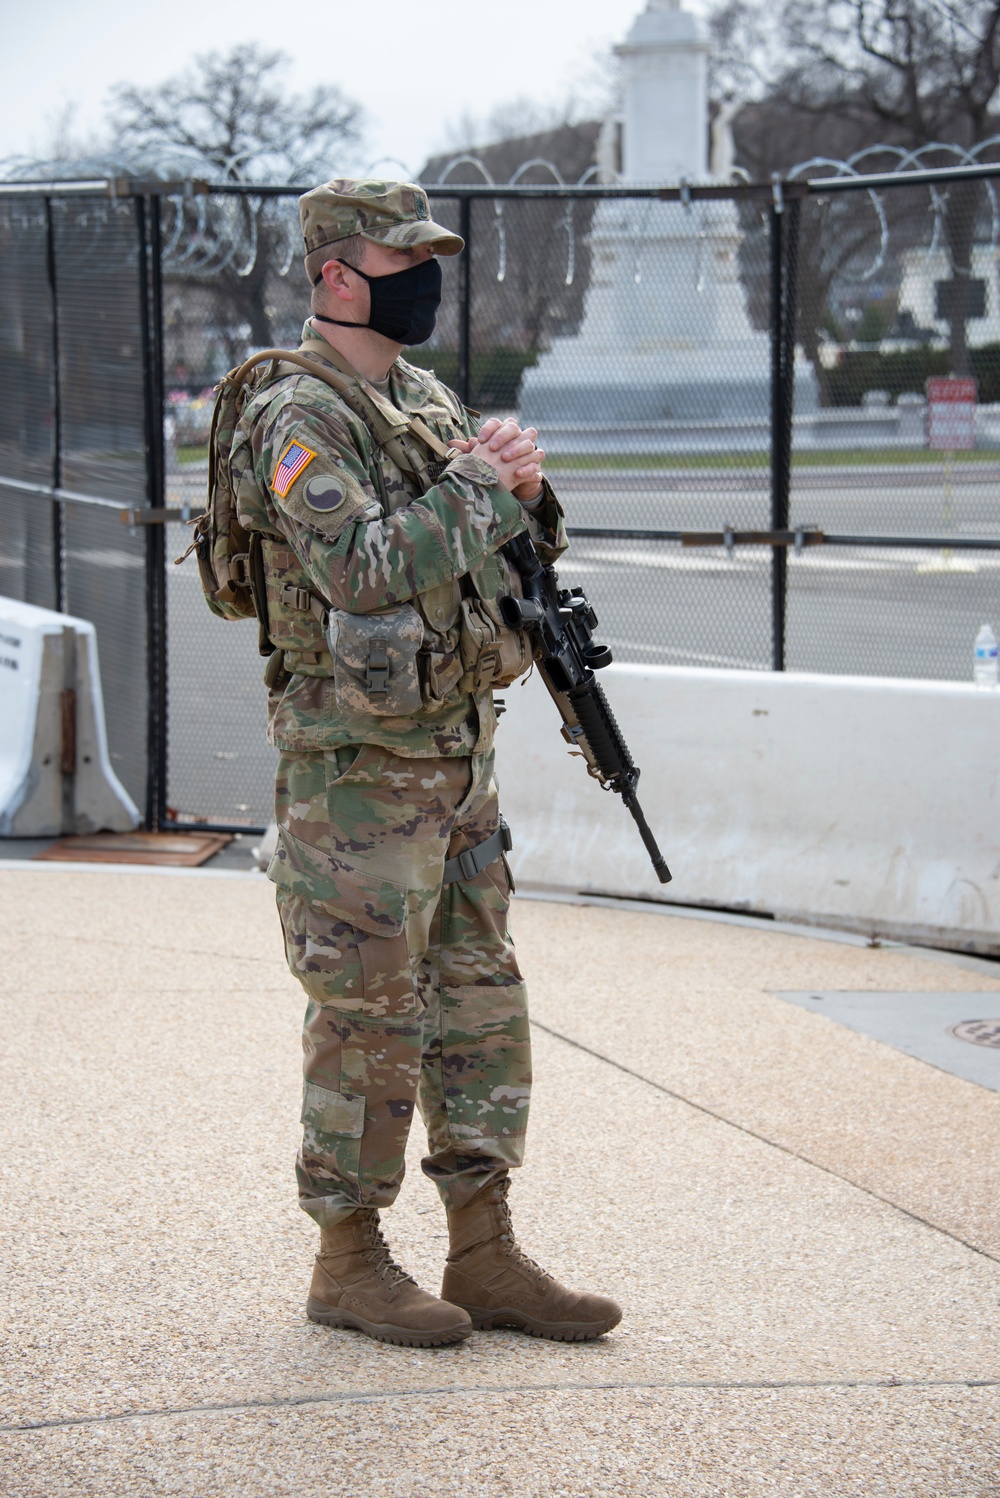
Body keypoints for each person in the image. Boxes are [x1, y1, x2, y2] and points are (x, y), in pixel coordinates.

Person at [232, 178, 622, 1348]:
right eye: (400, 260)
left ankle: (485, 1250)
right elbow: (358, 567)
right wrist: (476, 483)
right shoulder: (294, 414)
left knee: (478, 1002)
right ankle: (347, 1260)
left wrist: (528, 487)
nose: (425, 279)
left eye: (429, 257)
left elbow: (505, 545)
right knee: (367, 1014)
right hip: (356, 773)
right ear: (336, 275)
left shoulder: (418, 396)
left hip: (456, 757)